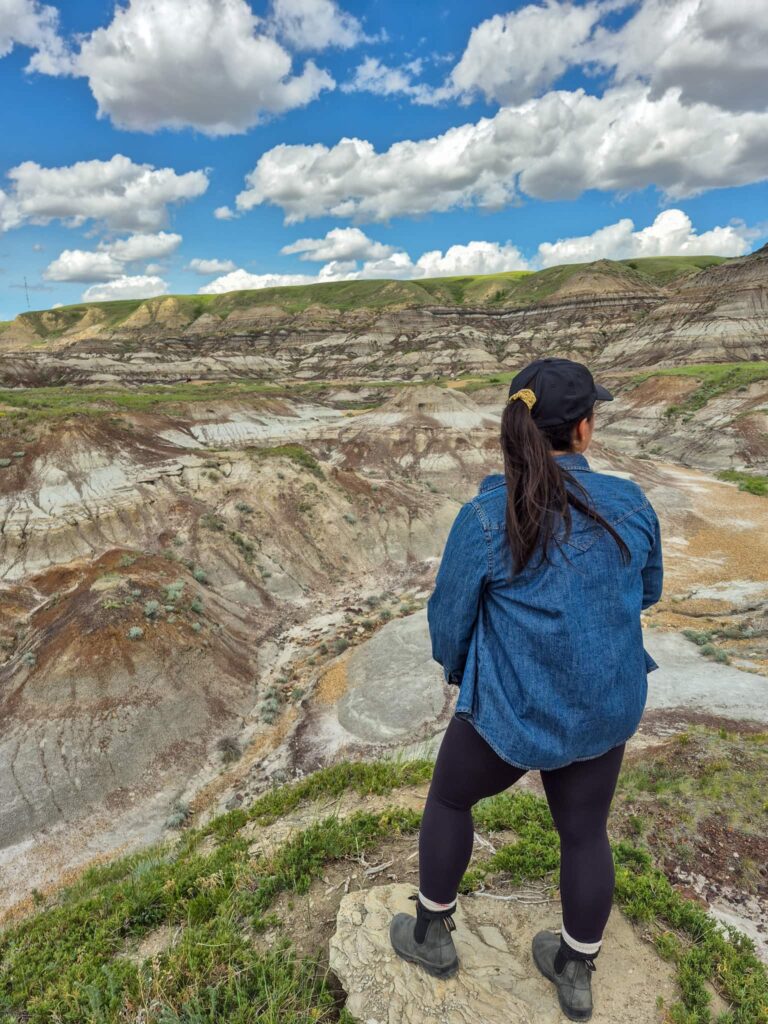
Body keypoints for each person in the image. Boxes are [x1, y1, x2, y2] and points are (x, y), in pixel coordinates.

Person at [389, 357, 663, 1022]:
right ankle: (574, 969)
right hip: (604, 710)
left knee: (452, 798)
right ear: (585, 429)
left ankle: (430, 933)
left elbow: (449, 621)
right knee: (584, 833)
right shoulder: (630, 503)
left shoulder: (488, 514)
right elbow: (647, 592)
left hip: (511, 712)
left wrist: (466, 677)